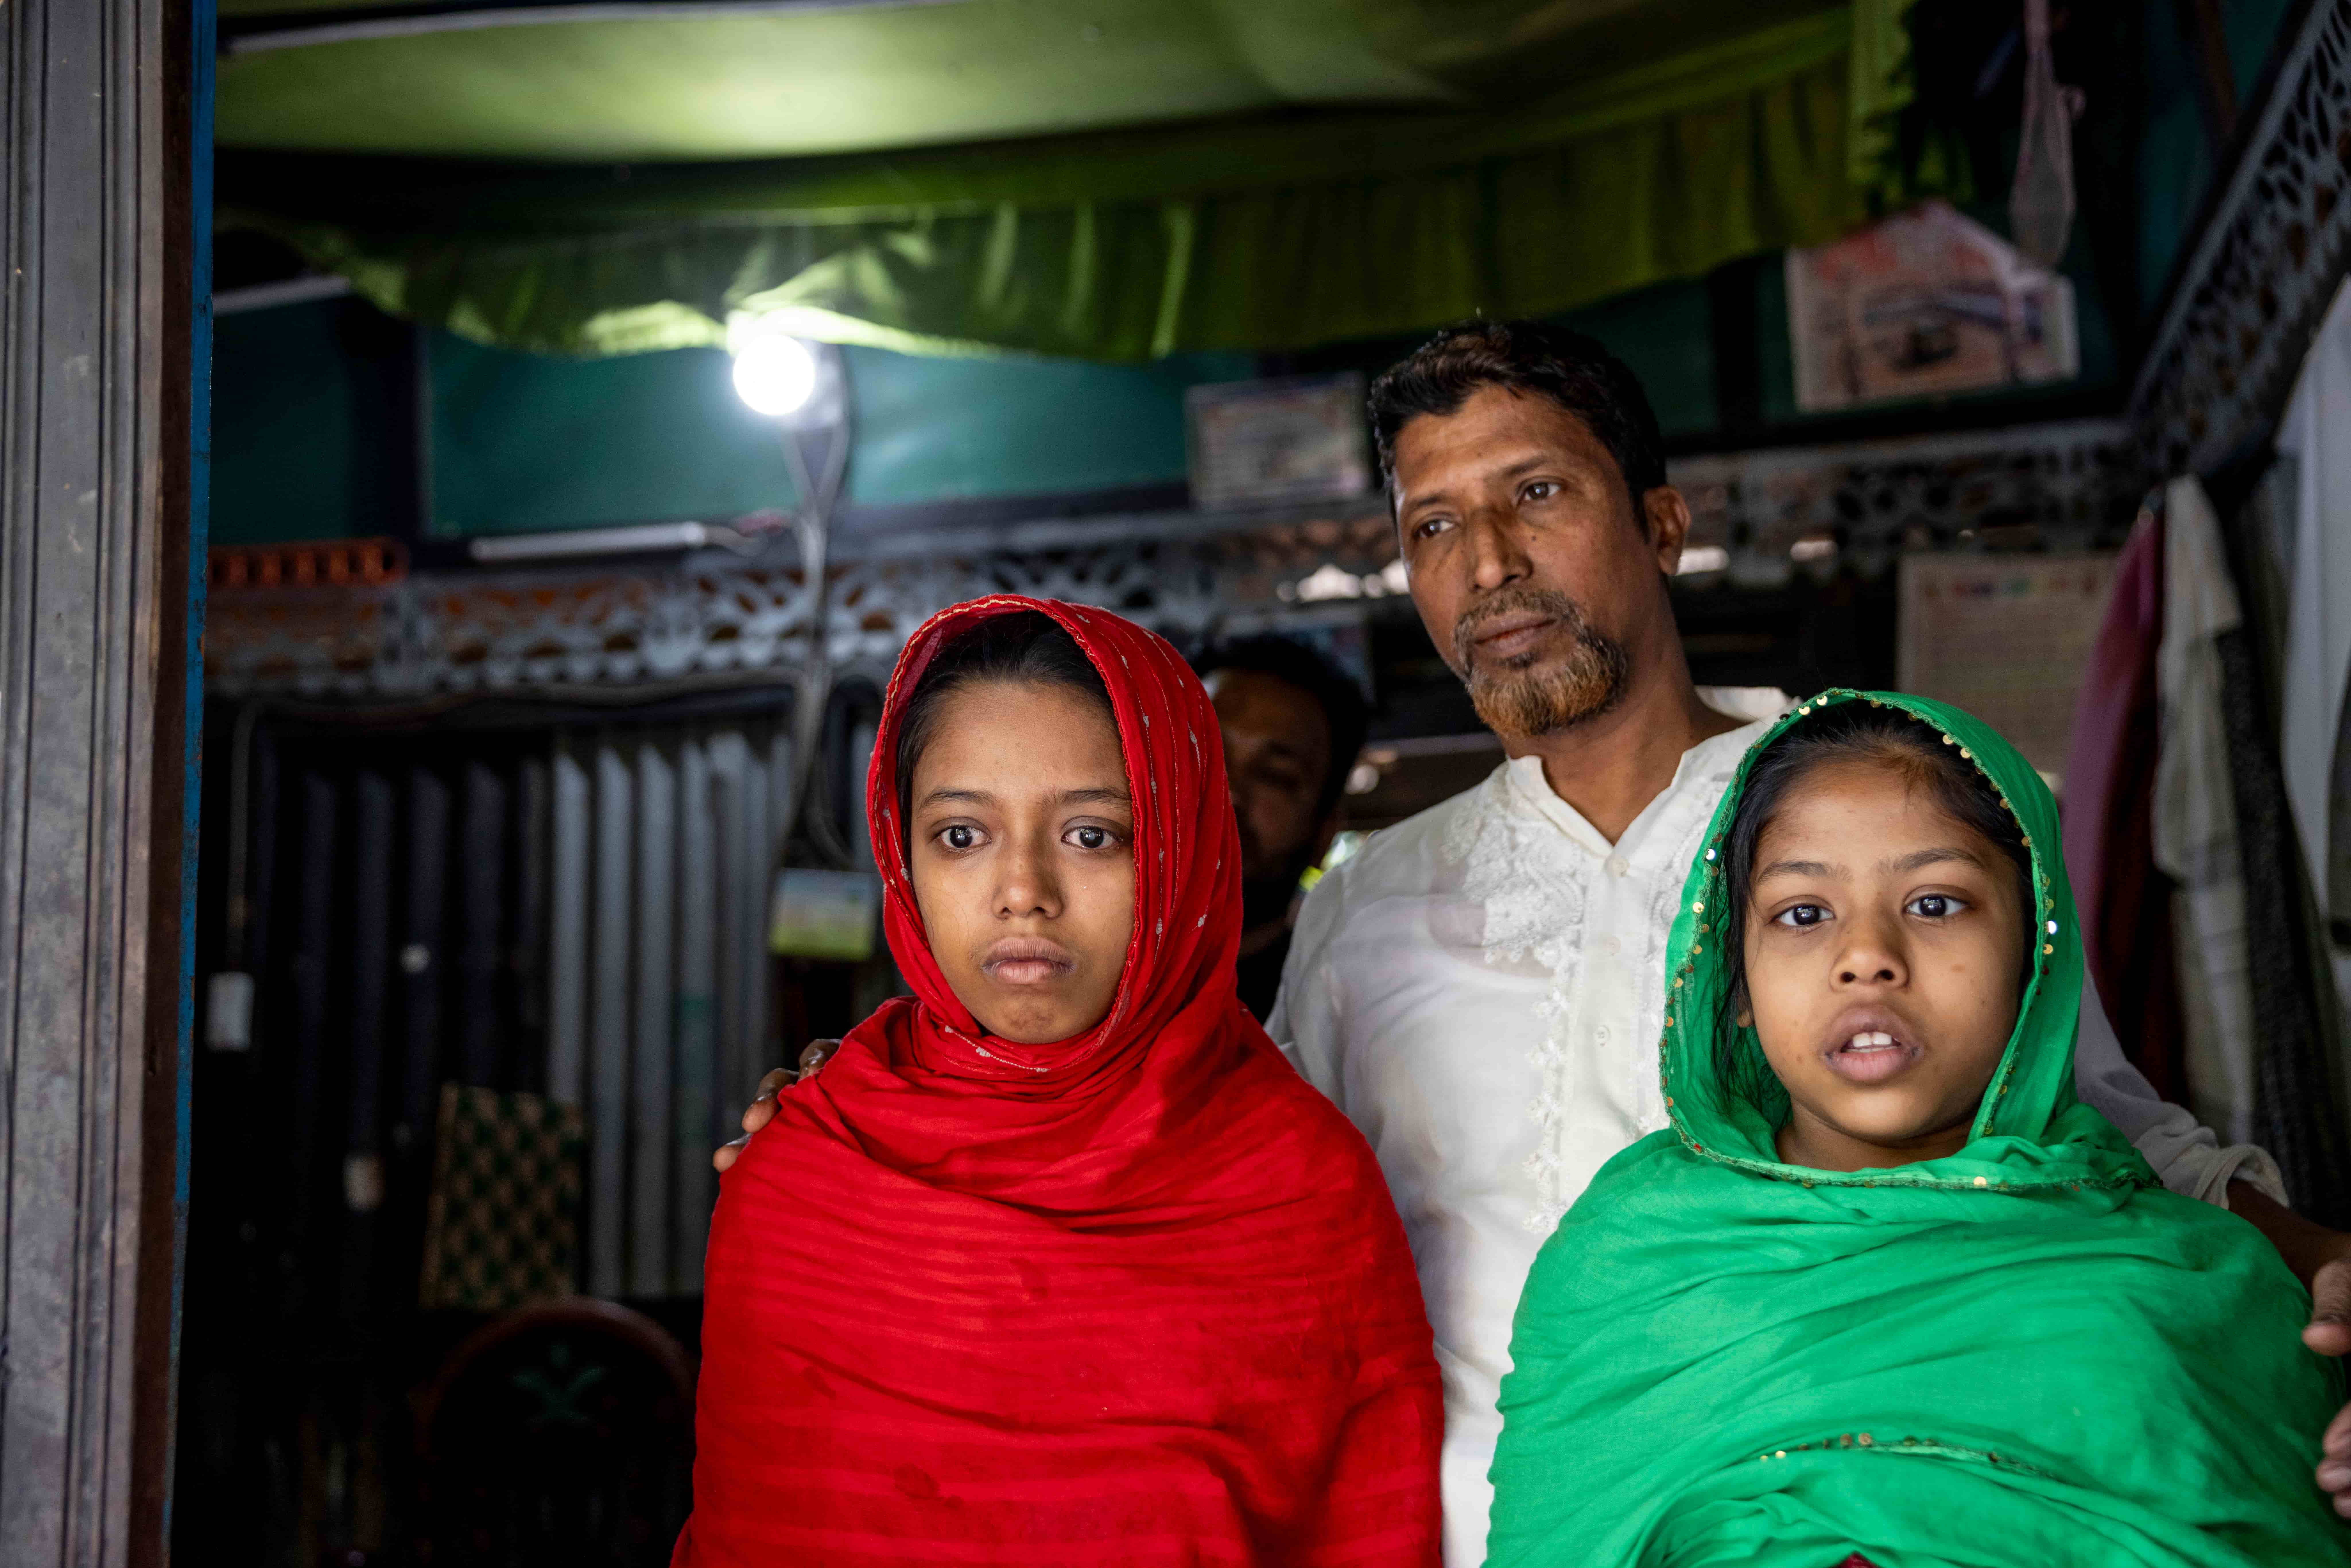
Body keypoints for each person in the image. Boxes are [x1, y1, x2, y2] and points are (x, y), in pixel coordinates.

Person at [1269, 319, 2351, 1563]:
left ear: (1662, 525)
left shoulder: (1866, 809)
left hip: (1887, 1506)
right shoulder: (1361, 913)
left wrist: (2319, 1257)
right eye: (1433, 527)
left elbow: (2093, 1141)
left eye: (1536, 492)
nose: (1489, 563)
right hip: (1515, 1527)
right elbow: (1297, 1257)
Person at [1486, 692, 2345, 1567]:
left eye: (1936, 904)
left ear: (2037, 965)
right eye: (1803, 913)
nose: (1867, 956)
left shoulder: (2200, 1288)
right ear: (1734, 987)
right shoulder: (1626, 1263)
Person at [675, 596, 1442, 1568]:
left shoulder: (1304, 1188)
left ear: (1176, 843)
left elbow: (1369, 1530)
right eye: (961, 835)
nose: (1023, 887)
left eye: (1092, 835)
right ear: (899, 852)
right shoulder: (808, 1168)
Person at [1194, 635, 1370, 1020]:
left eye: (1275, 776)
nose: (1229, 792)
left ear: (1325, 832)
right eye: (1202, 753)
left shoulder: (1336, 1022)